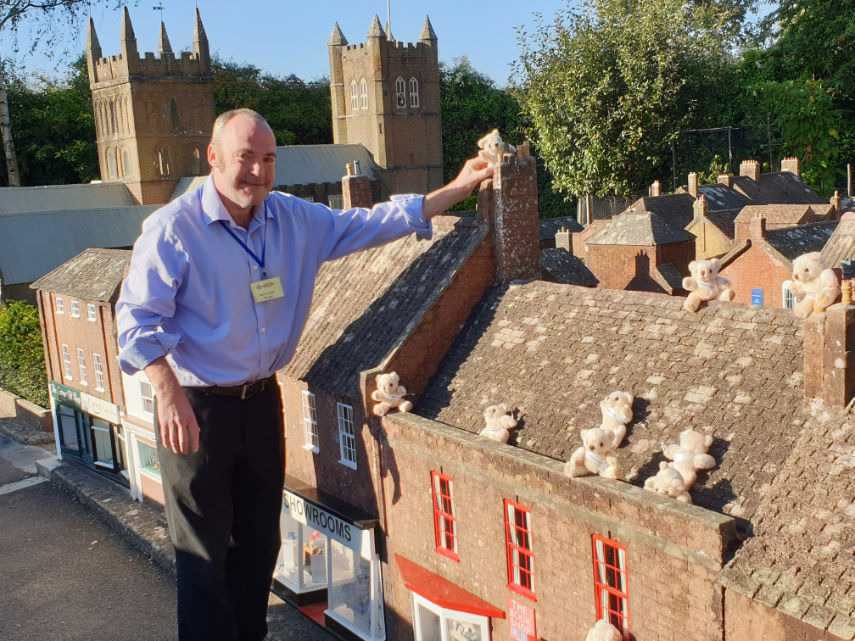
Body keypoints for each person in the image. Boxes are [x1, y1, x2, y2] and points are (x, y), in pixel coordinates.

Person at [116, 108, 493, 641]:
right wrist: (166, 391)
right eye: (245, 158)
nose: (258, 173)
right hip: (195, 409)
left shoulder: (293, 218)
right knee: (203, 559)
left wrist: (456, 187)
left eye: (268, 160)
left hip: (262, 404)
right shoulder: (173, 230)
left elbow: (370, 223)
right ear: (214, 157)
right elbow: (135, 322)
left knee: (258, 549)